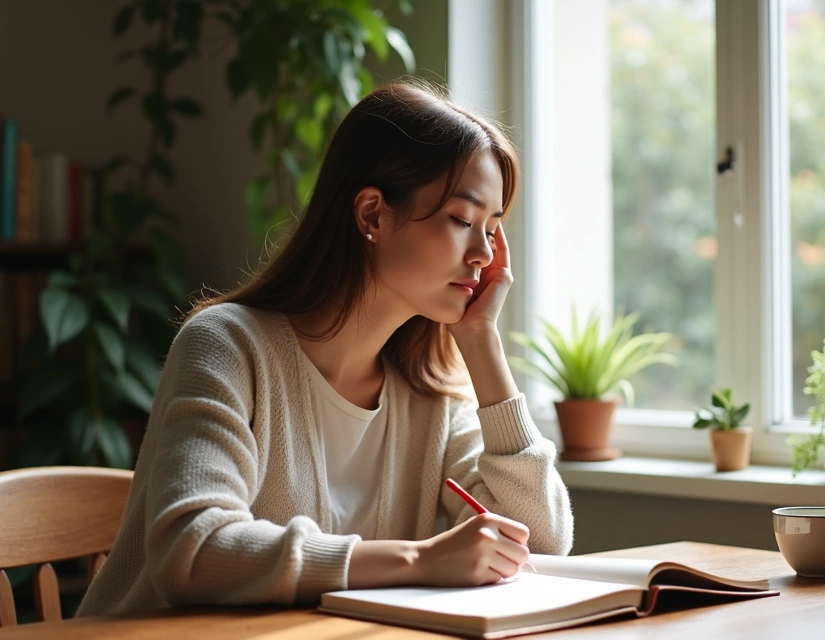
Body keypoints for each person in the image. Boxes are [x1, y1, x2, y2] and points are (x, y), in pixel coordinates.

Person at [76, 81, 574, 616]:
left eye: (493, 229)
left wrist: (481, 347)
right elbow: (192, 551)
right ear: (372, 216)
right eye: (461, 220)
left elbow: (539, 542)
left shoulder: (430, 389)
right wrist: (416, 560)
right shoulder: (227, 345)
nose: (483, 255)